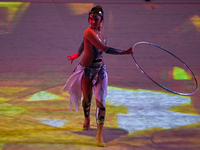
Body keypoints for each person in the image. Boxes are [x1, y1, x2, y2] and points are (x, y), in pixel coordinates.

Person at [63, 5, 133, 147]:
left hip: (100, 69)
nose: (93, 22)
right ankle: (87, 118)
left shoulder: (101, 29)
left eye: (96, 19)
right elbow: (104, 49)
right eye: (91, 19)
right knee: (87, 99)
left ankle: (99, 136)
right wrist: (124, 52)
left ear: (102, 20)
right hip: (87, 69)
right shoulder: (89, 32)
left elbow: (84, 43)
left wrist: (78, 52)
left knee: (101, 102)